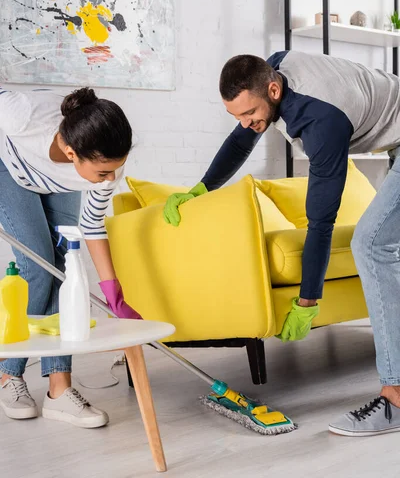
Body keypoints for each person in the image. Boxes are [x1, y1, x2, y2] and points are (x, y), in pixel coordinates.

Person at [163, 50, 400, 437]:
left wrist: (308, 301)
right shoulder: (272, 69)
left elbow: (321, 222)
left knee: (371, 245)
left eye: (249, 113)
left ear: (274, 89)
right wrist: (202, 189)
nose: (246, 123)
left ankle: (396, 399)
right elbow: (242, 141)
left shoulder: (322, 121)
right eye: (237, 115)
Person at [0, 86, 140, 428]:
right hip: (8, 165)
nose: (111, 180)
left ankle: (59, 389)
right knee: (36, 265)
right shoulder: (24, 113)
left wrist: (112, 289)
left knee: (66, 269)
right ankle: (6, 374)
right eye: (103, 173)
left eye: (115, 170)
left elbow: (92, 227)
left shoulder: (104, 170)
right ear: (71, 151)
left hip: (57, 181)